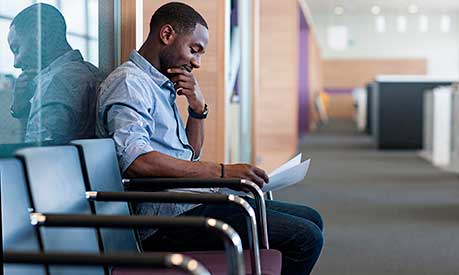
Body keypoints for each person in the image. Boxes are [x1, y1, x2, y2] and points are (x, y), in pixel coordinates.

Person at [96, 2, 323, 274]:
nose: (197, 62)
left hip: (187, 202)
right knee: (305, 237)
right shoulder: (130, 83)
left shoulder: (160, 85)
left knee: (312, 219)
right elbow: (137, 161)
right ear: (167, 35)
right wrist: (223, 172)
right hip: (163, 221)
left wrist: (197, 109)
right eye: (194, 50)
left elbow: (189, 155)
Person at [7, 3, 102, 143]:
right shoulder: (94, 73)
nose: (16, 63)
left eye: (16, 49)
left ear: (41, 36)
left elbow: (35, 158)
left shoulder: (54, 85)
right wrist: (23, 110)